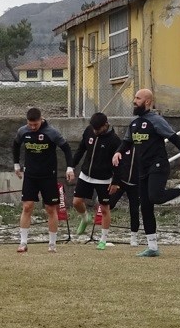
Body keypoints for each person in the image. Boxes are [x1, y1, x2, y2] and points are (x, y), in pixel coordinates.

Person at [112, 88, 180, 257]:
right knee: (146, 207)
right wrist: (118, 151)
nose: (134, 101)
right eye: (134, 97)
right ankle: (153, 247)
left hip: (158, 165)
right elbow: (126, 142)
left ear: (147, 102)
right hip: (143, 169)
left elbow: (174, 138)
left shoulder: (156, 120)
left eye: (138, 98)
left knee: (156, 197)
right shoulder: (134, 123)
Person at [13, 107, 74, 253]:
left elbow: (66, 148)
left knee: (50, 208)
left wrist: (70, 167)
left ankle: (52, 244)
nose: (33, 127)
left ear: (41, 119)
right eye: (30, 124)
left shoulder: (51, 132)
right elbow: (15, 144)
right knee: (27, 206)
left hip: (48, 176)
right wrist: (16, 164)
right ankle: (23, 243)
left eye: (35, 124)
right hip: (30, 175)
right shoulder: (23, 131)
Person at [68, 112, 121, 250]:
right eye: (93, 129)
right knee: (76, 202)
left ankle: (103, 240)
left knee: (104, 208)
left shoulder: (114, 140)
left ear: (105, 125)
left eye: (98, 129)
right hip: (86, 175)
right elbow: (81, 149)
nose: (95, 131)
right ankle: (85, 218)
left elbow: (119, 165)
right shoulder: (89, 131)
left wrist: (115, 181)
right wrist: (71, 166)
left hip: (104, 179)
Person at [109, 145, 142, 247]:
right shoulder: (123, 146)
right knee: (109, 204)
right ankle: (103, 234)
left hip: (136, 185)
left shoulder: (144, 147)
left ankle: (133, 237)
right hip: (120, 181)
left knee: (134, 210)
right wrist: (114, 181)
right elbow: (116, 163)